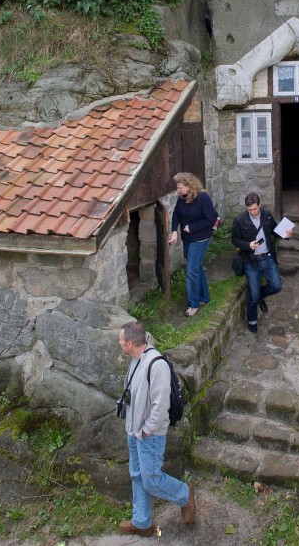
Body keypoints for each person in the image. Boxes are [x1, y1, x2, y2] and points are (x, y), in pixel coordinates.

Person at [116, 321, 195, 537]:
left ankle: (184, 495)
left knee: (151, 480)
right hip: (135, 431)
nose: (120, 344)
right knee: (138, 475)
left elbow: (161, 406)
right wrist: (133, 429)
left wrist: (146, 430)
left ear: (130, 343)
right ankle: (142, 523)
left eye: (121, 341)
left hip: (148, 434)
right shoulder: (135, 360)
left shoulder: (156, 364)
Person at [230, 192, 289, 334]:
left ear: (259, 206)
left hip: (267, 257)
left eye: (254, 209)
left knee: (276, 286)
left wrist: (286, 235)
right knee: (253, 295)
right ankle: (252, 320)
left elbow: (275, 231)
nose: (252, 212)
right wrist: (247, 245)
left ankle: (261, 296)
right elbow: (234, 240)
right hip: (251, 261)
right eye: (249, 209)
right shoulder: (240, 220)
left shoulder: (267, 215)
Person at [168, 172, 217, 317]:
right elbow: (176, 214)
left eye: (180, 188)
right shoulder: (182, 198)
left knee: (191, 270)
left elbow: (210, 219)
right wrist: (174, 231)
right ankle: (204, 297)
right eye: (177, 188)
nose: (178, 190)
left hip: (200, 238)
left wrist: (192, 227)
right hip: (187, 238)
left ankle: (193, 304)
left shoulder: (203, 198)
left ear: (190, 186)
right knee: (196, 267)